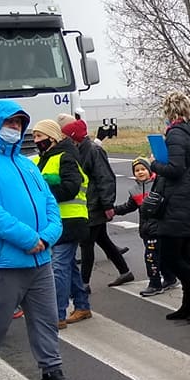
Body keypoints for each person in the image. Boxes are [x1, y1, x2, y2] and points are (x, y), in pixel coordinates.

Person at [0, 102, 96, 380]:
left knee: (46, 320)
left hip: (39, 258)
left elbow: (50, 205)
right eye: (9, 123)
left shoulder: (26, 164)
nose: (15, 129)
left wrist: (46, 237)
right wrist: (27, 238)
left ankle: (52, 376)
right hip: (4, 261)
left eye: (19, 124)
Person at [150, 92, 190, 322]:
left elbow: (175, 169)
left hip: (176, 199)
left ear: (170, 110)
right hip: (188, 197)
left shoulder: (176, 134)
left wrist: (154, 163)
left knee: (169, 256)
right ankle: (188, 303)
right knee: (185, 254)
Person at [31, 119, 92, 327]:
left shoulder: (65, 157)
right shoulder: (45, 159)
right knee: (67, 266)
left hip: (71, 220)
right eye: (34, 136)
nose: (36, 140)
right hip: (56, 222)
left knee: (58, 267)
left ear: (52, 137)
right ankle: (82, 305)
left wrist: (44, 196)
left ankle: (57, 315)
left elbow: (71, 187)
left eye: (39, 136)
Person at [63, 118, 134, 290]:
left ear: (73, 138)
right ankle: (125, 272)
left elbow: (105, 178)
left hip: (94, 205)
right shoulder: (80, 150)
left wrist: (108, 205)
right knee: (102, 240)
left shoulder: (93, 151)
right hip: (89, 204)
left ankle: (83, 283)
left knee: (86, 244)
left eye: (66, 137)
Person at [113, 158, 177, 297]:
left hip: (159, 228)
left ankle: (155, 283)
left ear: (149, 170)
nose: (140, 172)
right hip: (146, 229)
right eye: (137, 170)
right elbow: (129, 206)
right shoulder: (135, 190)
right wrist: (114, 211)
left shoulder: (158, 184)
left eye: (143, 169)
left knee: (151, 256)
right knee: (159, 255)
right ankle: (170, 278)